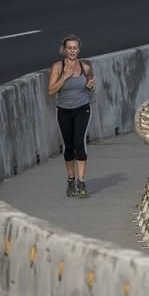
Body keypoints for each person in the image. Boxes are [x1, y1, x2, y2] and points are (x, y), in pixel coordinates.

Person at [47, 34, 95, 198]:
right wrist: (65, 77)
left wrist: (90, 85)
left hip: (82, 108)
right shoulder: (58, 67)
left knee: (79, 143)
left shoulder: (85, 67)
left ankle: (81, 181)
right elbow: (51, 91)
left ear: (79, 49)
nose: (72, 51)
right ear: (64, 50)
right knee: (68, 146)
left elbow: (90, 82)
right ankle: (70, 180)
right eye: (69, 48)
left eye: (75, 48)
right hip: (64, 110)